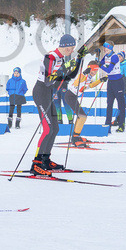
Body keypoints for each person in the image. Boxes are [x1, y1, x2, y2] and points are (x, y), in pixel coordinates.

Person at [31, 34, 80, 174]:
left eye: (73, 48)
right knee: (47, 129)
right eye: (71, 48)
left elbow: (62, 79)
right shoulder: (51, 57)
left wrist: (77, 62)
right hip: (40, 93)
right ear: (65, 46)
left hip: (47, 94)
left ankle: (45, 160)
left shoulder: (61, 57)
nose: (71, 51)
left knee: (55, 128)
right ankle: (36, 164)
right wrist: (63, 69)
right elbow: (48, 80)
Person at [61, 60, 98, 146]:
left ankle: (76, 136)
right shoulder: (83, 75)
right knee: (82, 116)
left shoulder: (88, 77)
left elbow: (90, 86)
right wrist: (84, 73)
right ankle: (75, 137)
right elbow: (76, 82)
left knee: (81, 116)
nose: (95, 73)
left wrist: (100, 80)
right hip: (70, 96)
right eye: (94, 70)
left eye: (96, 71)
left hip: (73, 97)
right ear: (89, 69)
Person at [98, 43, 126, 133]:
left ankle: (121, 124)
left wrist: (100, 65)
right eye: (104, 48)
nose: (105, 50)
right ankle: (108, 124)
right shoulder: (106, 56)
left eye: (107, 48)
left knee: (120, 104)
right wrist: (97, 60)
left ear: (110, 48)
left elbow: (109, 69)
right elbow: (100, 63)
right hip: (110, 82)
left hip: (118, 82)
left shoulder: (114, 57)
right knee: (109, 104)